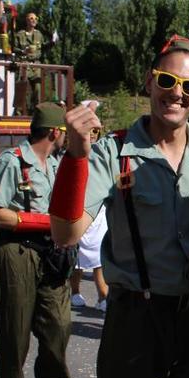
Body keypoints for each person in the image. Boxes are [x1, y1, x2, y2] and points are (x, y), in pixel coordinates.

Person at [50, 35, 189, 378]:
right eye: (168, 81)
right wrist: (76, 156)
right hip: (135, 319)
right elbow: (65, 233)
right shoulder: (115, 153)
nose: (177, 93)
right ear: (150, 82)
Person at [0, 102, 72, 378]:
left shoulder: (54, 163)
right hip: (18, 251)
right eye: (63, 132)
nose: (64, 138)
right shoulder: (12, 162)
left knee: (59, 325)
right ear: (54, 132)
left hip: (51, 252)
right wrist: (45, 222)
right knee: (15, 329)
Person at [69, 128, 109, 312]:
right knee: (78, 257)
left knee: (98, 255)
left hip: (100, 211)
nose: (92, 133)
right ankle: (74, 291)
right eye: (88, 130)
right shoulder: (72, 152)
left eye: (95, 130)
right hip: (79, 208)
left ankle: (103, 296)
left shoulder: (104, 151)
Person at [13, 13, 46, 113]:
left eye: (36, 18)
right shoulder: (20, 34)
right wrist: (23, 51)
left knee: (38, 90)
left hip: (36, 65)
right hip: (24, 64)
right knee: (21, 89)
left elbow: (43, 48)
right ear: (27, 20)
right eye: (31, 18)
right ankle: (18, 113)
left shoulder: (39, 34)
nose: (34, 20)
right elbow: (13, 48)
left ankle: (37, 113)